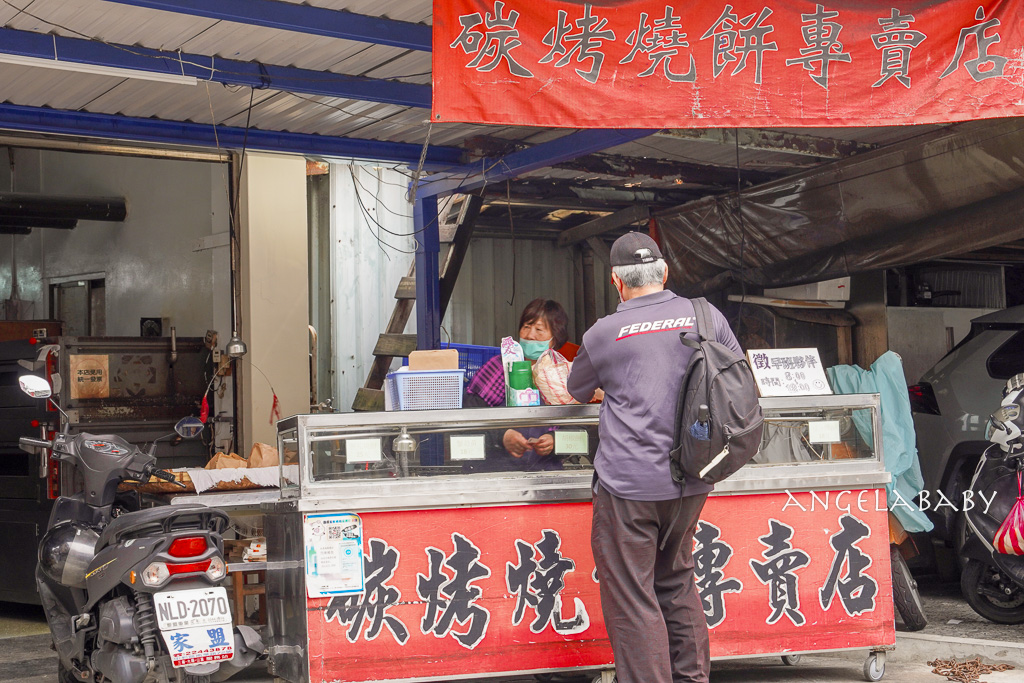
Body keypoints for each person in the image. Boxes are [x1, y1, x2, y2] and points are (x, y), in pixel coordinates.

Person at [567, 232, 742, 683]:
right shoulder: (707, 315)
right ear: (664, 273)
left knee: (632, 596)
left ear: (616, 282)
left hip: (628, 487)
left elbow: (575, 390)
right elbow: (740, 380)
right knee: (677, 581)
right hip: (693, 478)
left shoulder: (604, 332)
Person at [463, 298, 577, 471]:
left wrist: (555, 440)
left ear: (555, 339)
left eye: (539, 330)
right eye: (526, 327)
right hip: (495, 474)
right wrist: (502, 435)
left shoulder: (562, 376)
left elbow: (579, 425)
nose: (530, 335)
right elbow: (469, 416)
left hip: (544, 475)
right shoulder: (498, 367)